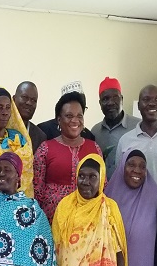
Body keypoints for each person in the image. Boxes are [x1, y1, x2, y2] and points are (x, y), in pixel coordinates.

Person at [52, 154, 127, 266]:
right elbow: (55, 251)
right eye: (81, 176)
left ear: (101, 180)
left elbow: (118, 254)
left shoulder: (109, 208)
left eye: (92, 177)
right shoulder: (65, 206)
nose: (85, 182)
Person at [33, 91, 103, 222]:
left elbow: (102, 187)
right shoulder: (46, 148)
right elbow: (37, 191)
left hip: (88, 223)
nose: (75, 120)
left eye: (79, 116)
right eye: (69, 116)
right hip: (53, 222)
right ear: (59, 120)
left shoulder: (94, 148)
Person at [115, 84, 157, 194]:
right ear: (138, 105)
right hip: (136, 209)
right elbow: (119, 179)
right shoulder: (125, 140)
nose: (152, 103)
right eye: (146, 99)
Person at [90, 77, 140, 179]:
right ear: (100, 104)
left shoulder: (138, 126)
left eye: (115, 97)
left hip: (130, 191)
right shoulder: (94, 132)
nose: (110, 103)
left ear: (122, 99)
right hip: (102, 192)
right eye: (105, 99)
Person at [14, 81, 46, 154]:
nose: (29, 103)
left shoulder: (40, 136)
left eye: (33, 100)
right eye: (25, 97)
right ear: (14, 99)